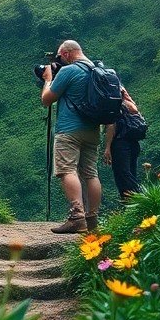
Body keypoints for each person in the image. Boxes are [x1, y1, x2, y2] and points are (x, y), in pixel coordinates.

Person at [40, 39, 104, 233]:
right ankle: (92, 219)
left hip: (69, 130)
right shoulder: (97, 70)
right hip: (93, 130)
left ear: (67, 54)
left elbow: (47, 100)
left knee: (67, 170)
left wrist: (47, 79)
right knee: (91, 173)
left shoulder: (69, 71)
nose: (60, 60)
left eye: (60, 56)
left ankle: (77, 217)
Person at [103, 88, 142, 204]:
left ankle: (136, 201)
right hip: (134, 143)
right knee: (131, 173)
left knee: (122, 175)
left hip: (120, 144)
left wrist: (107, 147)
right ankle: (137, 202)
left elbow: (111, 126)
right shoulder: (130, 104)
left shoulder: (114, 105)